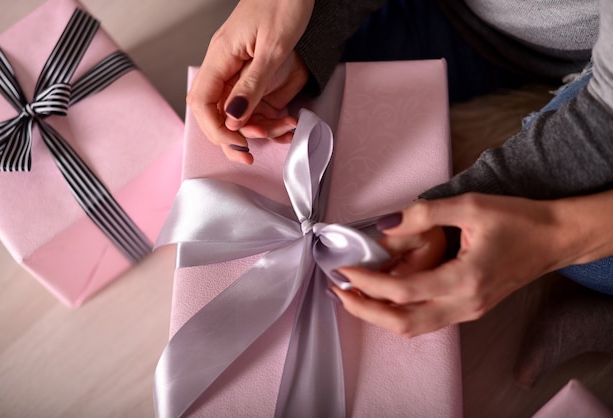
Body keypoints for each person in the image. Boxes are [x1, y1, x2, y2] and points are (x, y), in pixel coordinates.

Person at [187, 0, 613, 385]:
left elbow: (602, 125)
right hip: (462, 15)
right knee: (296, 89)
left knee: (591, 257)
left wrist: (539, 230)